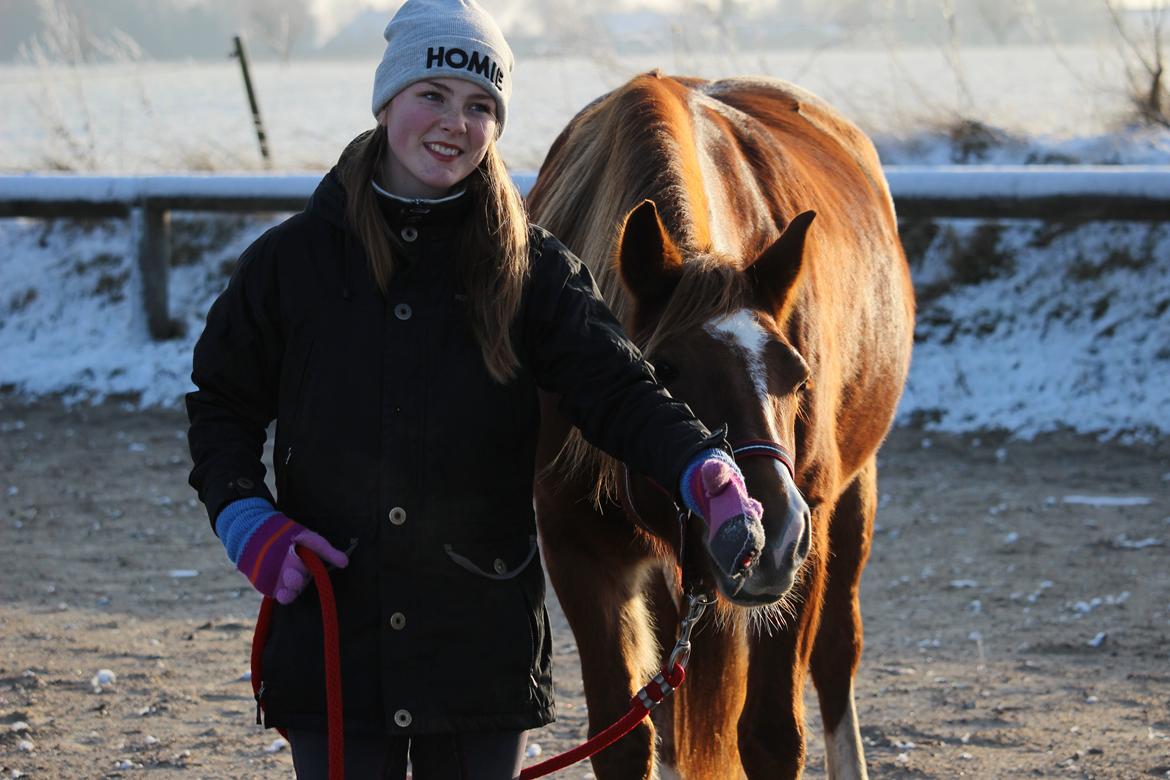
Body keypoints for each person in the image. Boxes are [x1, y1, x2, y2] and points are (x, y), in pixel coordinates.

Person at [186, 0, 764, 777]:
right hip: (332, 641)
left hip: (479, 649)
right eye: (432, 95)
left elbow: (617, 389)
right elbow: (220, 404)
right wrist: (245, 517)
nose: (454, 123)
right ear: (387, 99)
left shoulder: (535, 272)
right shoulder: (290, 265)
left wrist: (703, 467)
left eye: (481, 106)